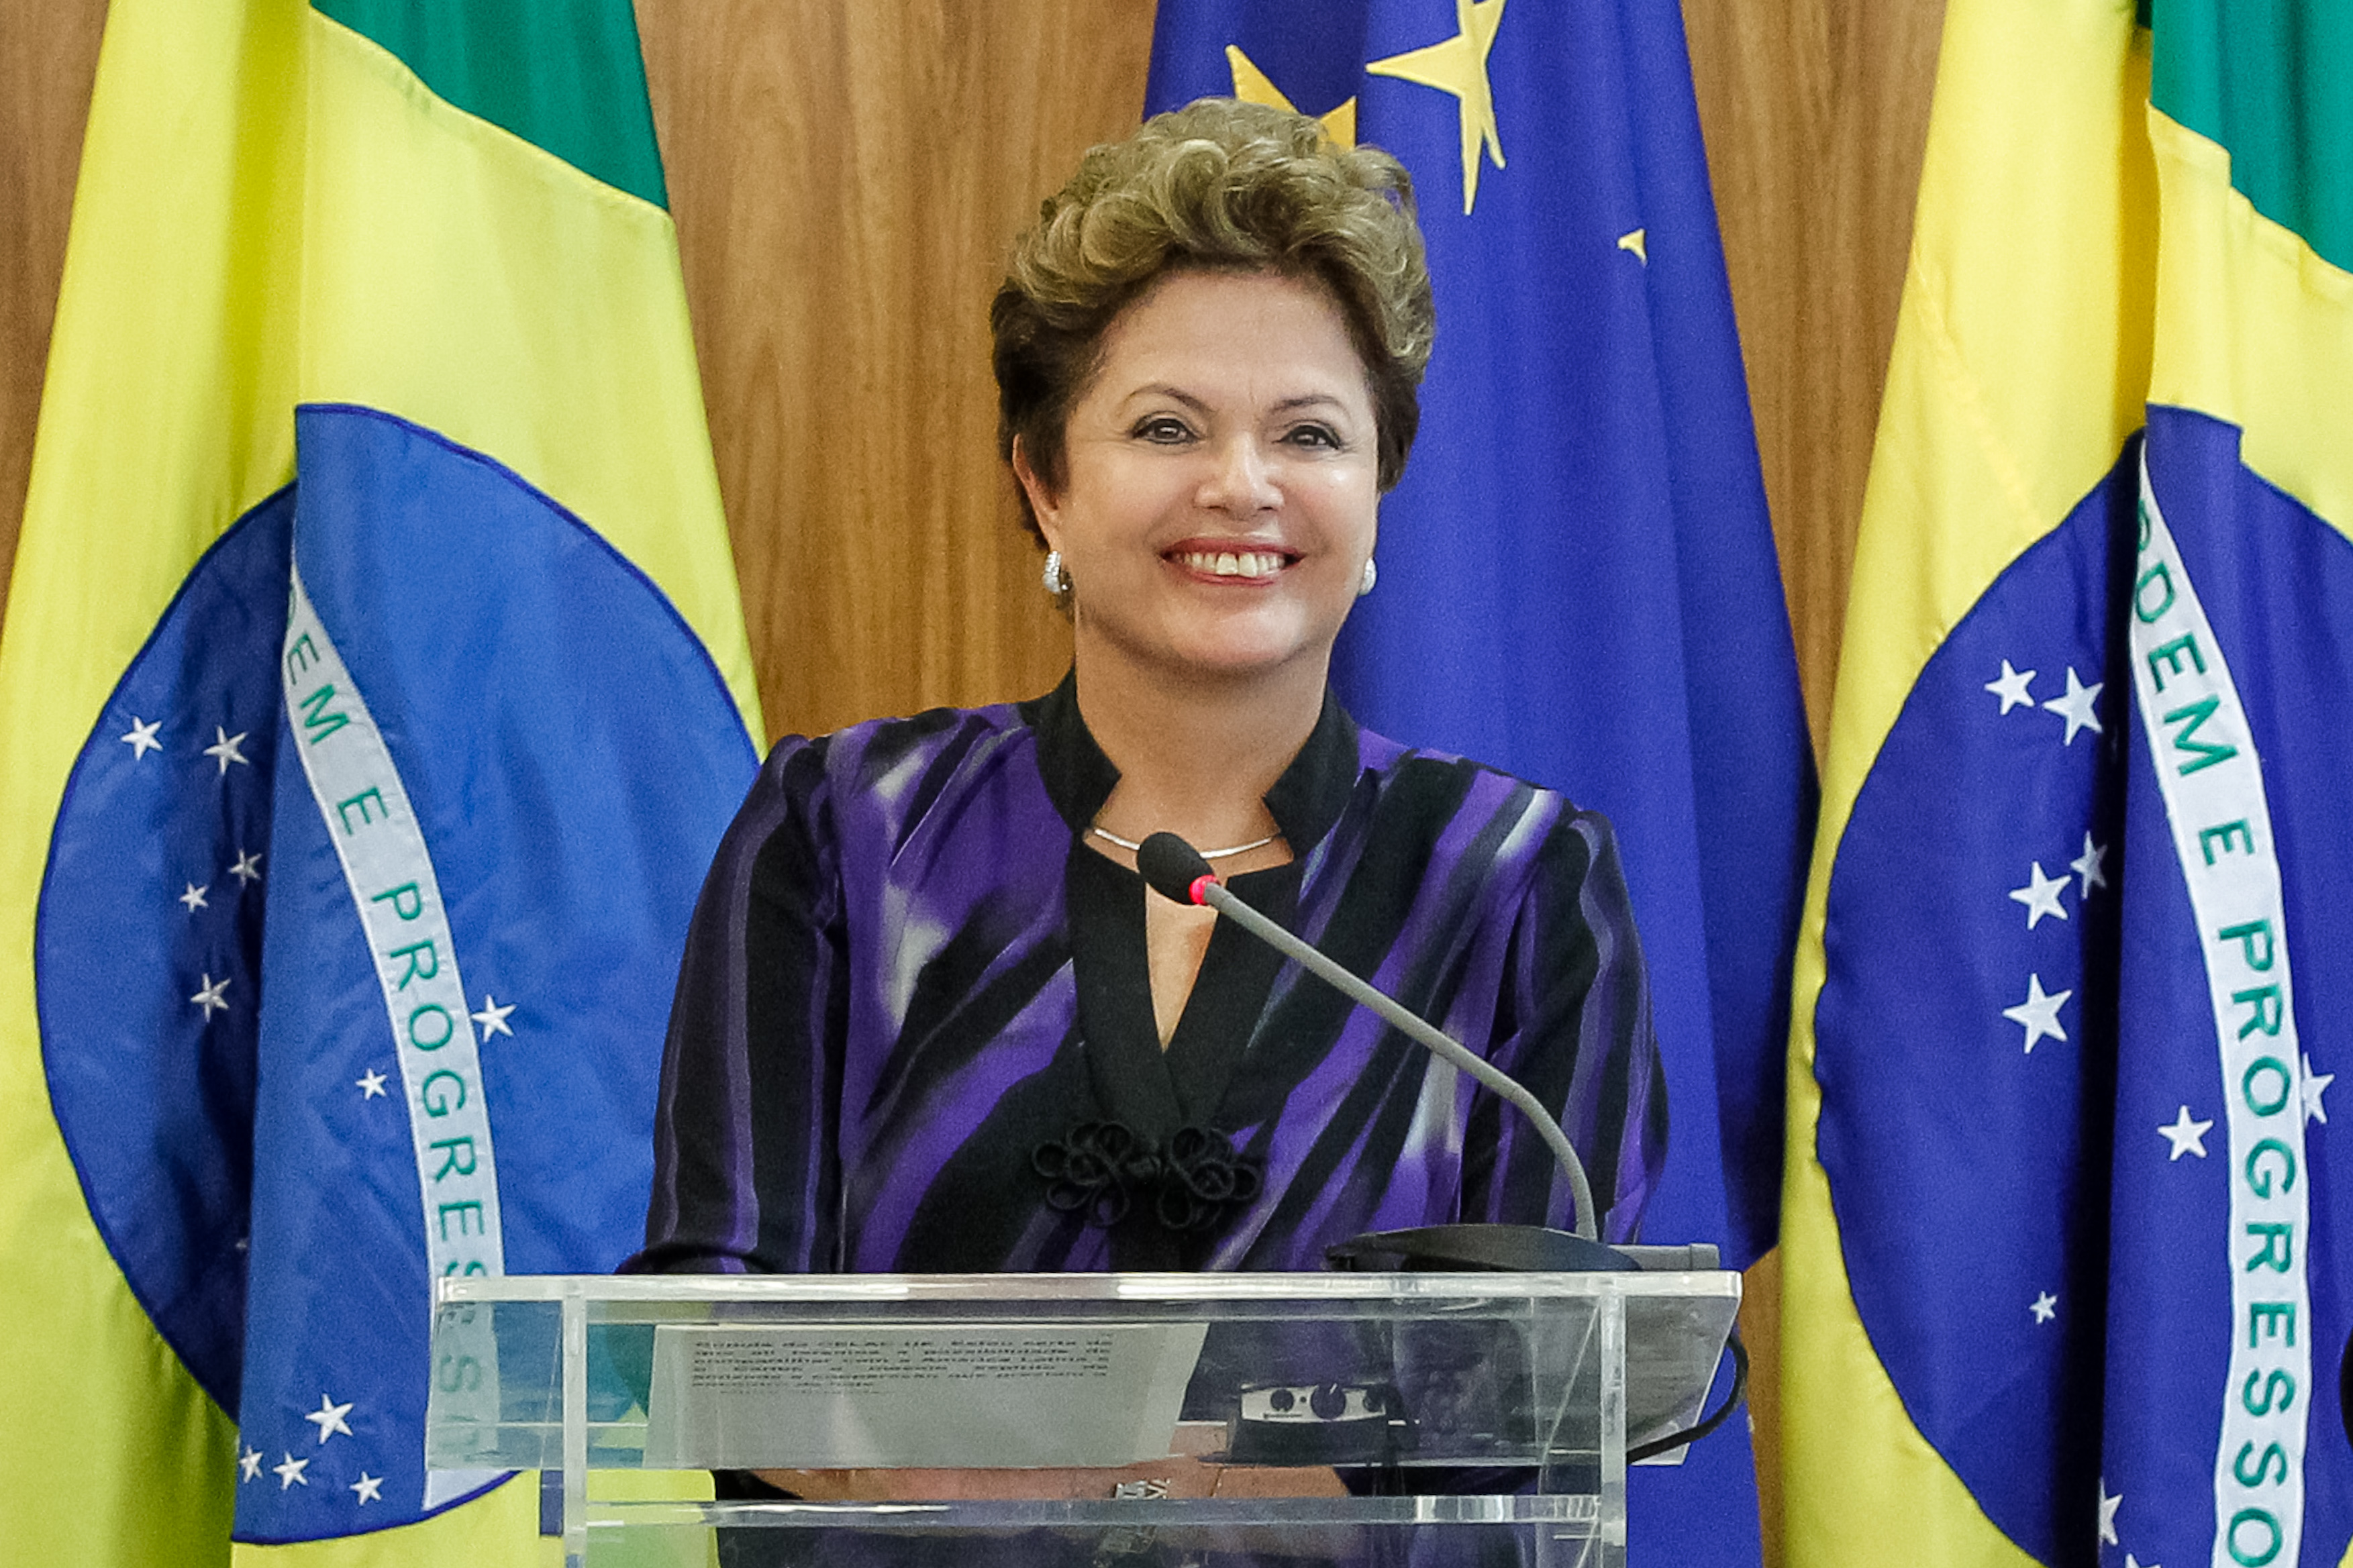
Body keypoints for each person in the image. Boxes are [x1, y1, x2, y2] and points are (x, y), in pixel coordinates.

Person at [632, 89, 1662, 1324]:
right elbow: (720, 1323)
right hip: (884, 1534)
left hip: (1373, 1541)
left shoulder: (1516, 883)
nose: (1241, 487)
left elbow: (1541, 1405)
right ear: (1046, 481)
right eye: (1167, 426)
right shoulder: (846, 836)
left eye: (1311, 435)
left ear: (1376, 488)